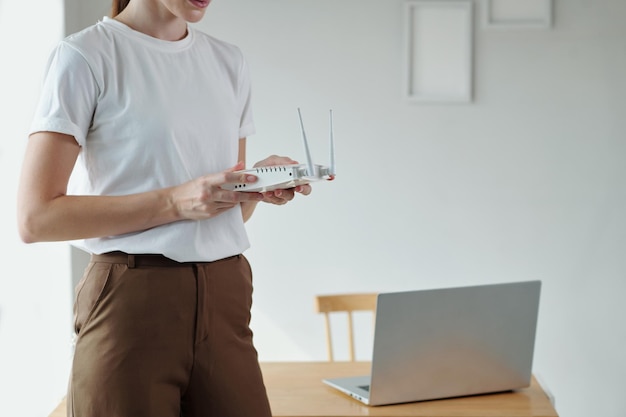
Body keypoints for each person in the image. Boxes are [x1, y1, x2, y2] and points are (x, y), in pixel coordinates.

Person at [16, 0, 311, 415]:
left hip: (226, 294)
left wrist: (254, 188)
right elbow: (35, 218)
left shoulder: (228, 62)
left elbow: (222, 212)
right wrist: (175, 202)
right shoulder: (86, 56)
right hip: (131, 302)